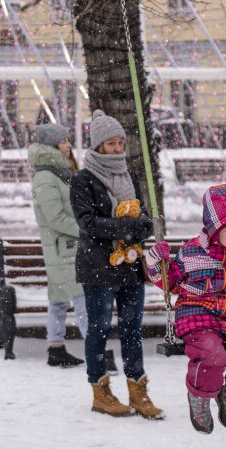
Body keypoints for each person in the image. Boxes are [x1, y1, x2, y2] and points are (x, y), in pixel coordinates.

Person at [144, 184, 226, 434]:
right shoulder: (192, 252)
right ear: (214, 231)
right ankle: (200, 398)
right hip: (197, 316)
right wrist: (153, 261)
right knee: (213, 355)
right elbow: (169, 283)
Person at [70, 109, 162, 419]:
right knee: (98, 329)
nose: (117, 149)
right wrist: (126, 226)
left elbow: (145, 219)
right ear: (97, 146)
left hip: (130, 266)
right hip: (98, 266)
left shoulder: (129, 175)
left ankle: (139, 391)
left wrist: (142, 226)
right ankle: (101, 391)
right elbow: (87, 224)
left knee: (132, 330)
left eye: (120, 142)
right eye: (111, 144)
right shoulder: (83, 179)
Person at [28, 123, 89, 367]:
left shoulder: (60, 173)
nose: (68, 145)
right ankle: (96, 350)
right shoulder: (46, 177)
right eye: (63, 141)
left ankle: (56, 348)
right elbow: (55, 217)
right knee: (82, 297)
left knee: (59, 298)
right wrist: (86, 230)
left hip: (63, 246)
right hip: (64, 246)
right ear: (52, 146)